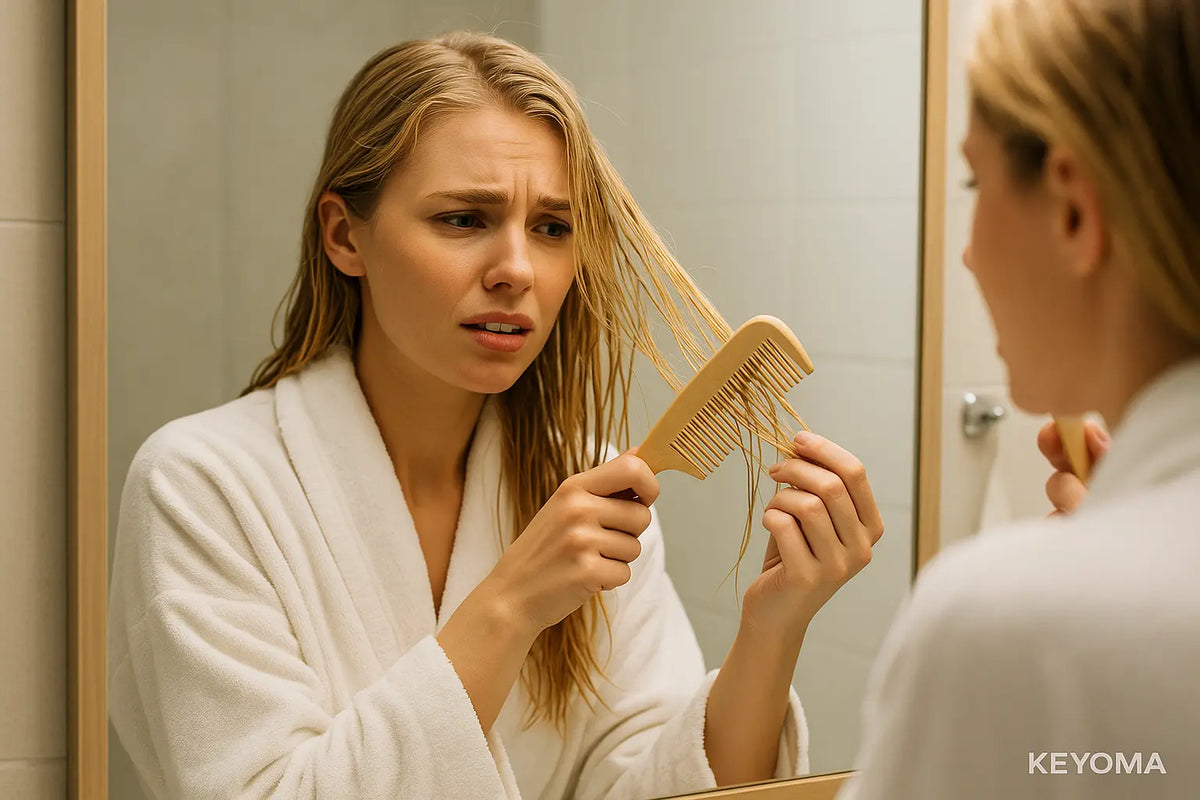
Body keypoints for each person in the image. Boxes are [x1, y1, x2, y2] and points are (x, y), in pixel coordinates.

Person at [108, 32, 885, 799]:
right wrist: (511, 602)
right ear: (346, 236)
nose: (517, 269)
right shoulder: (202, 485)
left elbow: (653, 787)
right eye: (463, 219)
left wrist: (772, 629)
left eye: (551, 227)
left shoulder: (586, 482)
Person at [840, 0, 1200, 797]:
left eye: (975, 180)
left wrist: (1089, 581)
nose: (965, 252)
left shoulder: (1005, 629)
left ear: (1073, 207)